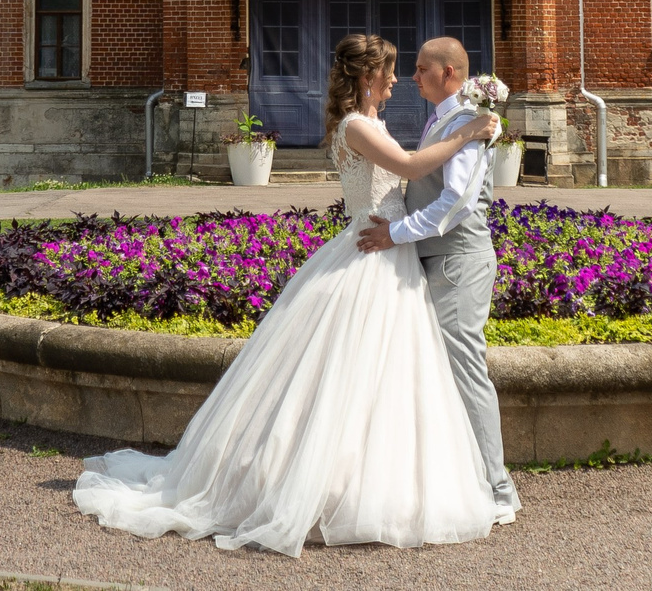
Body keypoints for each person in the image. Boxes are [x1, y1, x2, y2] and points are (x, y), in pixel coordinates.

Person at [71, 34, 507, 555]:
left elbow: (424, 179)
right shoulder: (358, 126)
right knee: (351, 375)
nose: (399, 79)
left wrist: (470, 132)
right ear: (367, 77)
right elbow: (413, 169)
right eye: (391, 71)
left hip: (394, 257)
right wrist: (472, 131)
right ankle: (336, 487)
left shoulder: (374, 123)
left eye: (407, 69)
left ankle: (382, 478)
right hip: (376, 254)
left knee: (383, 375)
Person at [357, 36, 522, 521]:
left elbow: (458, 201)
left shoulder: (467, 123)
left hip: (458, 261)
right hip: (434, 261)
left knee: (465, 371)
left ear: (448, 73)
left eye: (421, 69)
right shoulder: (446, 120)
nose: (412, 76)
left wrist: (397, 235)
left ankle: (498, 490)